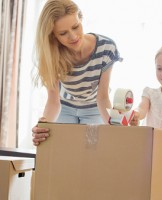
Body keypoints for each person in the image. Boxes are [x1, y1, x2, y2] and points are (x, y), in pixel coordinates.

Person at [32, 0, 122, 146]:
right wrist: (44, 126)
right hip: (64, 105)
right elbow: (53, 101)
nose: (73, 36)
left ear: (81, 19)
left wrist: (114, 129)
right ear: (53, 36)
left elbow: (102, 97)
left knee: (92, 151)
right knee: (58, 148)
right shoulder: (52, 54)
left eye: (75, 27)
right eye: (63, 33)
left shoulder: (106, 47)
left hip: (94, 107)